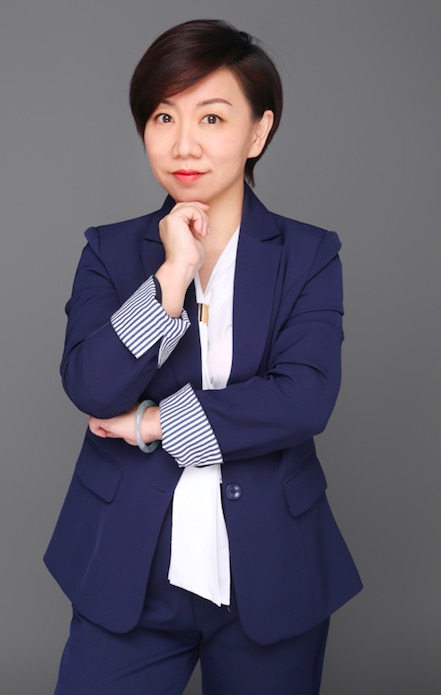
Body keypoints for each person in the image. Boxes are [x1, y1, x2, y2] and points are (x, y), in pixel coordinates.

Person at [45, 18, 362, 695]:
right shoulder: (109, 250)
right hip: (128, 564)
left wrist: (153, 423)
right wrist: (171, 277)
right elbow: (92, 385)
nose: (183, 143)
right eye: (164, 116)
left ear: (258, 132)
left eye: (211, 117)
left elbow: (304, 398)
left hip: (268, 569)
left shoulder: (310, 255)